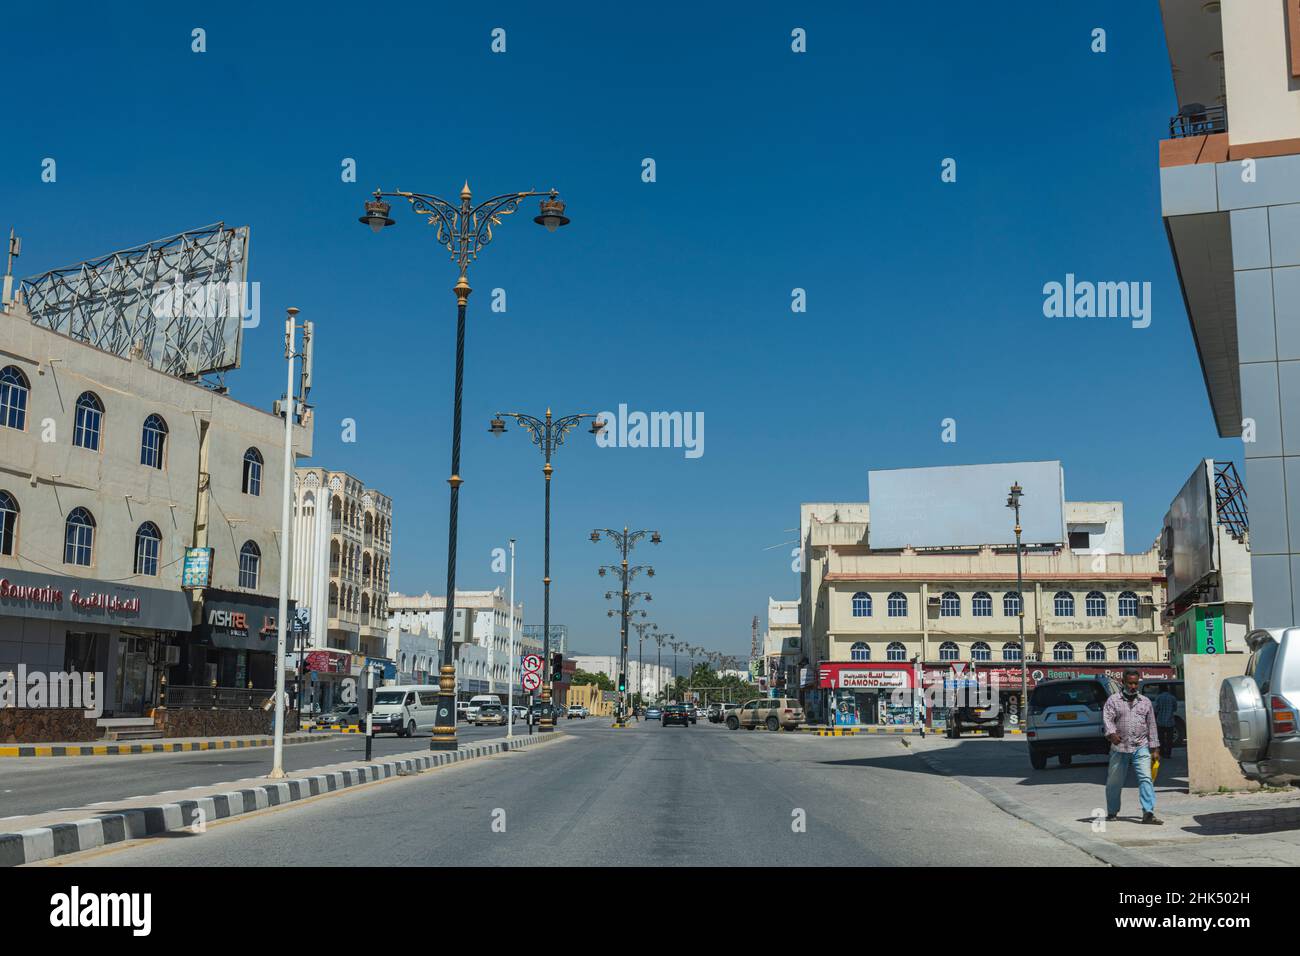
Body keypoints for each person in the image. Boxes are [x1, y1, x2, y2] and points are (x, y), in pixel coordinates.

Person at [1103, 669, 1162, 825]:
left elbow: (1152, 726)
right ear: (1123, 682)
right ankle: (1112, 811)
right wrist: (1111, 733)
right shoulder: (1113, 701)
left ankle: (1148, 812)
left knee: (1146, 779)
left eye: (1136, 683)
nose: (1133, 686)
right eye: (1130, 683)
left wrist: (1155, 748)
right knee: (1114, 782)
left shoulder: (1145, 702)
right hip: (1119, 748)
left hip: (1140, 746)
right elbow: (1108, 720)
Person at [1154, 685, 1179, 756]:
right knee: (1169, 739)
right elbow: (1175, 709)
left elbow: (1156, 709)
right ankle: (1168, 754)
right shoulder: (1172, 698)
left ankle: (1162, 753)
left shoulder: (1158, 697)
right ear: (1167, 689)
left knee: (1161, 739)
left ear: (1160, 690)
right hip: (1170, 722)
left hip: (1160, 722)